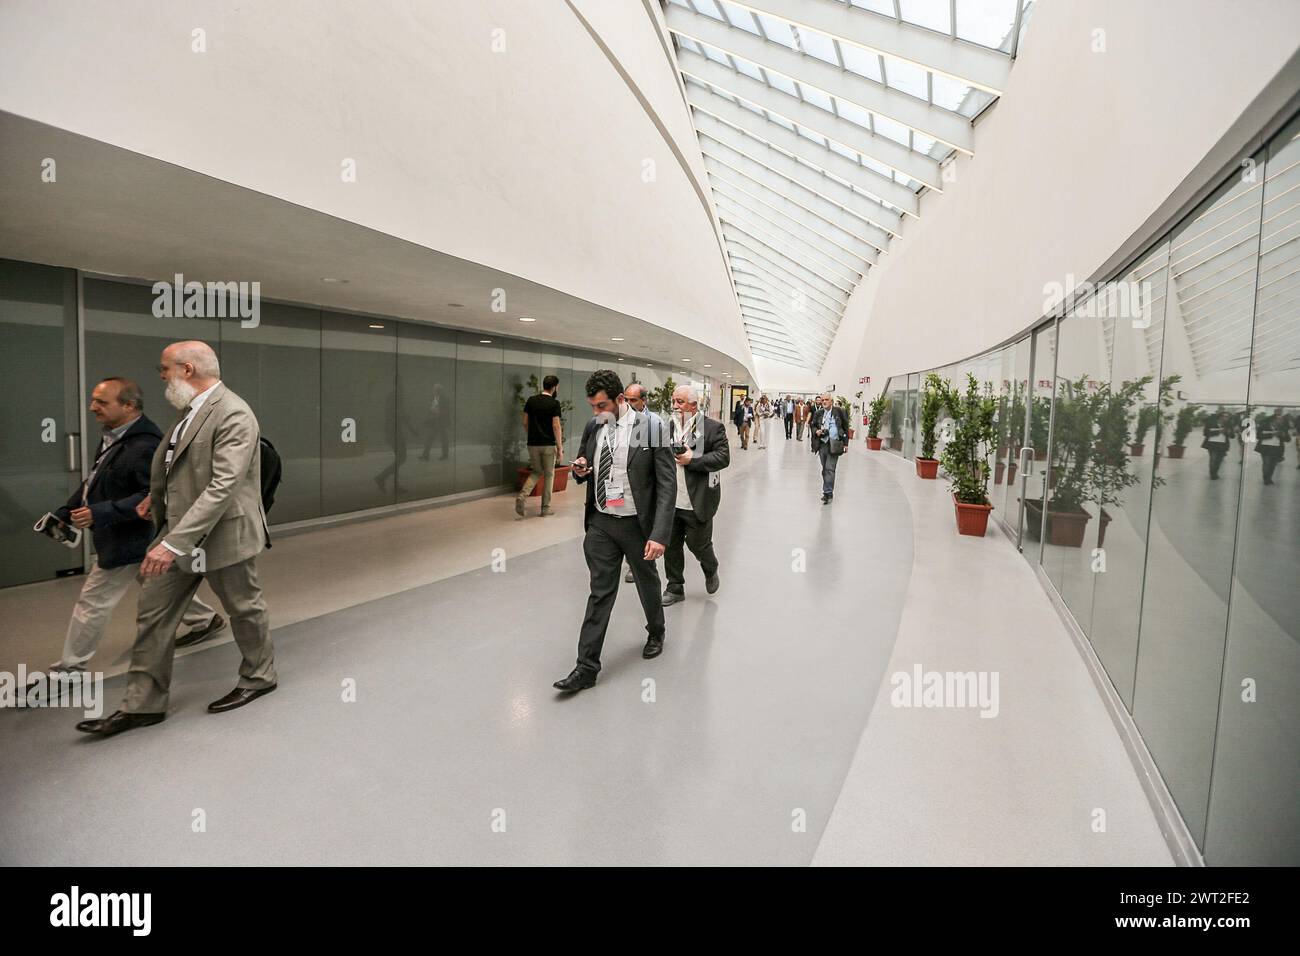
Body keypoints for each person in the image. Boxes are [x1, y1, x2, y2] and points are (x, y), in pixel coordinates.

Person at [76, 341, 278, 737]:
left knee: (244, 608)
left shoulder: (234, 413)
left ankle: (259, 676)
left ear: (187, 369)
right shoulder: (189, 412)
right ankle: (143, 705)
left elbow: (223, 487)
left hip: (223, 535)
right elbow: (180, 466)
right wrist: (157, 498)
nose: (162, 376)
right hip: (179, 530)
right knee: (153, 613)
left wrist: (171, 543)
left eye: (165, 369)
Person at [34, 378, 223, 690]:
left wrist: (101, 513)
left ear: (129, 406)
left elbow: (155, 494)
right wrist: (67, 511)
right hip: (129, 539)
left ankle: (69, 671)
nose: (92, 407)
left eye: (102, 402)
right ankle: (205, 620)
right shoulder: (115, 437)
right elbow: (96, 481)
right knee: (156, 582)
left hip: (132, 538)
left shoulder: (146, 446)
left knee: (92, 602)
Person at [554, 369, 675, 693]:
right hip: (602, 522)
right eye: (592, 406)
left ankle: (656, 630)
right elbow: (586, 464)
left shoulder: (651, 428)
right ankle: (586, 667)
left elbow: (666, 484)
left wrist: (660, 534)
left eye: (601, 405)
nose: (595, 413)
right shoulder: (595, 425)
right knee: (600, 592)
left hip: (636, 523)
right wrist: (582, 469)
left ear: (621, 400)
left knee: (647, 583)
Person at [662, 386, 729, 605]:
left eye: (680, 402)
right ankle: (675, 587)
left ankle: (710, 568)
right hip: (672, 500)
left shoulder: (712, 428)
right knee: (671, 546)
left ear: (694, 404)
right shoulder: (668, 427)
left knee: (699, 544)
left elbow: (723, 457)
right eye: (674, 401)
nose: (675, 406)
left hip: (697, 500)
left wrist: (694, 460)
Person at [516, 374, 564, 517]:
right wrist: (560, 447)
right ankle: (545, 508)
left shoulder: (531, 401)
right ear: (554, 387)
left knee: (536, 472)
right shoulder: (554, 404)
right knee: (549, 475)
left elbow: (525, 422)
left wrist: (532, 434)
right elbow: (556, 425)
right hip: (548, 445)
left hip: (532, 444)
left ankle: (522, 496)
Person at [809, 394, 850, 504]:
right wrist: (816, 431)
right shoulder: (818, 413)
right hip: (822, 444)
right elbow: (812, 425)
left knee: (830, 469)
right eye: (822, 400)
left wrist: (846, 444)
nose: (824, 402)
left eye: (826, 400)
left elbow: (846, 427)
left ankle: (827, 492)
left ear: (831, 401)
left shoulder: (839, 411)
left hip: (834, 443)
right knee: (824, 469)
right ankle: (828, 490)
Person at [1256, 407, 1290, 485]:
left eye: (1281, 421)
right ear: (1273, 421)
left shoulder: (1282, 428)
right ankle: (1265, 478)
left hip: (1277, 448)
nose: (1279, 422)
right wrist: (1272, 434)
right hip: (1265, 447)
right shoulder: (1264, 425)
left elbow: (1288, 439)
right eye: (1278, 420)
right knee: (1266, 463)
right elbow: (1258, 436)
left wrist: (1283, 435)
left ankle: (1269, 478)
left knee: (1273, 464)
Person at [1201, 408, 1234, 480]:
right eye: (1225, 416)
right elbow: (1205, 433)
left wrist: (1229, 432)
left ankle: (1215, 472)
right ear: (1220, 417)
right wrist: (1219, 431)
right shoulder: (1211, 423)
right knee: (1213, 459)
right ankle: (1212, 473)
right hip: (1212, 444)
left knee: (1219, 460)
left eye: (1227, 416)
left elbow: (1232, 436)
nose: (1226, 418)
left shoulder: (1229, 424)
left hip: (1223, 445)